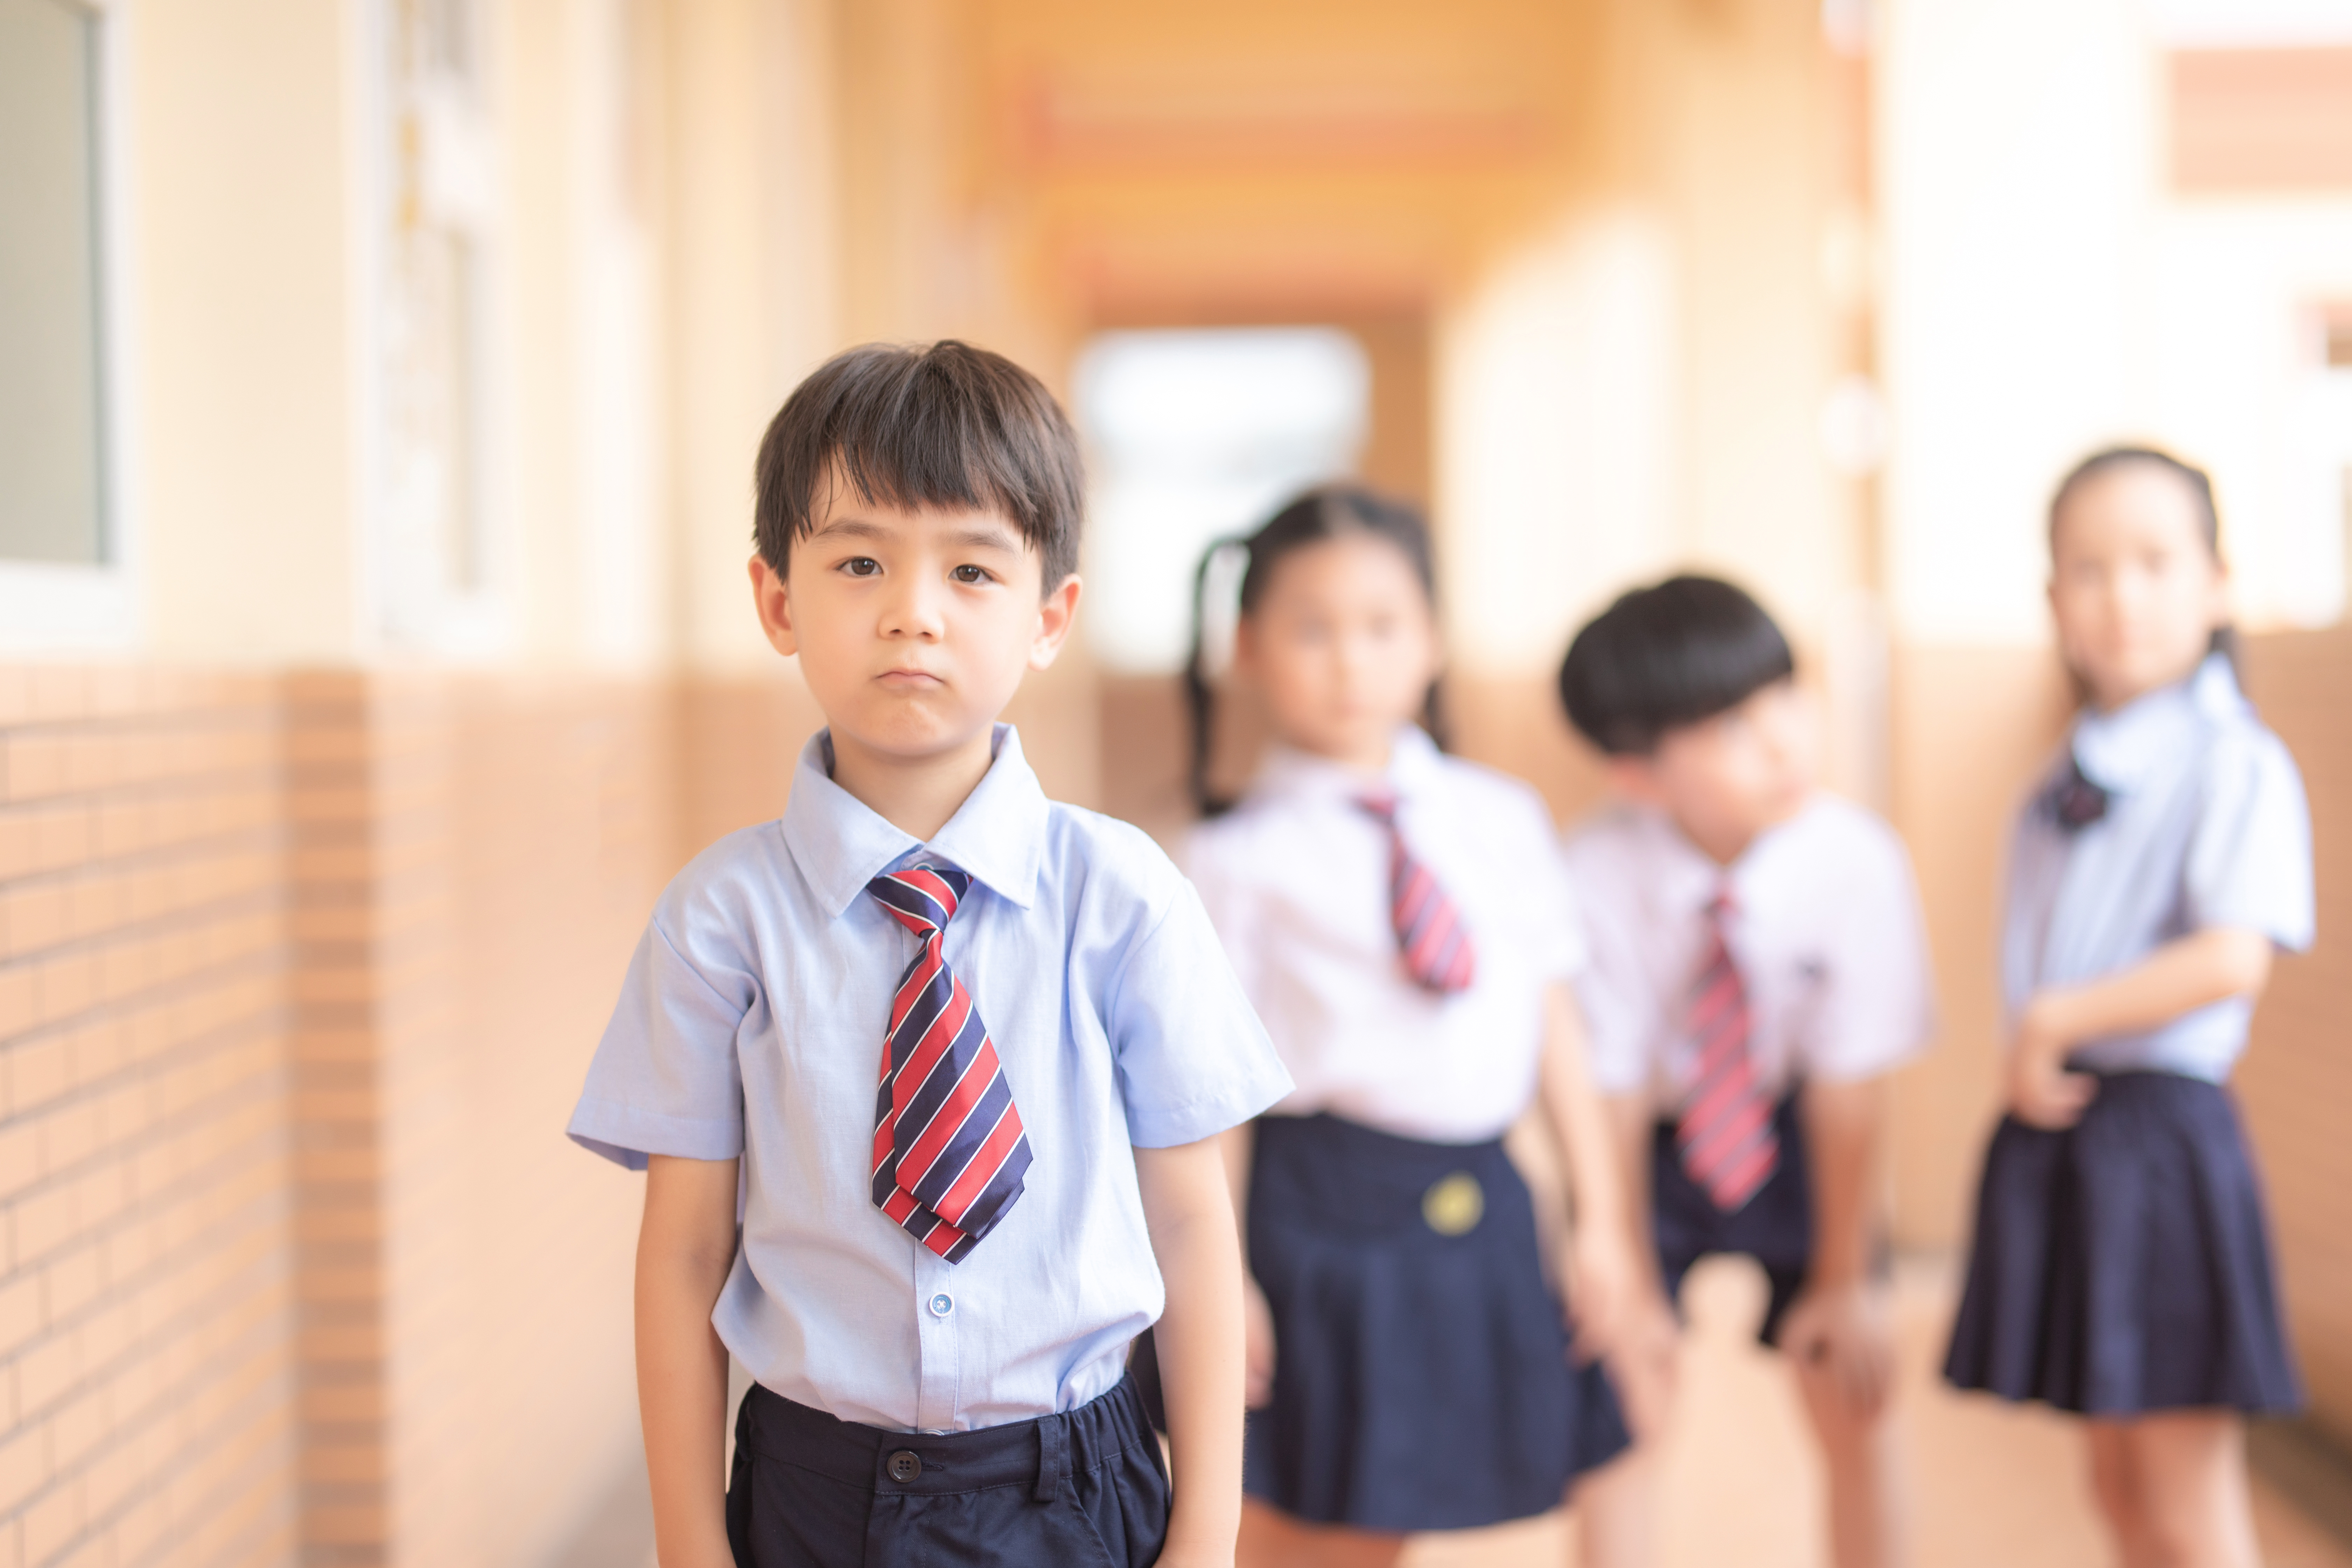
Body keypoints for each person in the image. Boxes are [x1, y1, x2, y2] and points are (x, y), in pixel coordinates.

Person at [567, 341, 1293, 1568]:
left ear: (1051, 615)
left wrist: (1208, 1536)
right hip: (814, 1491)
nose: (914, 609)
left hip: (1076, 1481)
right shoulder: (721, 921)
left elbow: (1191, 1222)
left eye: (971, 567)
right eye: (860, 562)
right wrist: (688, 1543)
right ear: (778, 600)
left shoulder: (1121, 899)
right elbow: (686, 1249)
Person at [1176, 484, 1637, 1568]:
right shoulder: (1233, 860)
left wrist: (1600, 1215)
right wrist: (1222, 1274)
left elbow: (1552, 1025)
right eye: (1311, 629)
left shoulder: (1499, 816)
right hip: (1316, 1214)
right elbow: (1215, 1089)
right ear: (1248, 647)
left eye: (1382, 627)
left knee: (1410, 1508)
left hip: (1481, 1202)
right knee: (1314, 1521)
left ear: (1430, 642)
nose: (1350, 661)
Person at [1944, 447, 2310, 1568]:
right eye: (2090, 570)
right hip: (2077, 1135)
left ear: (2218, 582)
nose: (2124, 596)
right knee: (2114, 1482)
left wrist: (2053, 1020)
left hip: (2161, 1141)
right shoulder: (2060, 771)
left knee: (2187, 1493)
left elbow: (2233, 957)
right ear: (2055, 601)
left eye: (2156, 562)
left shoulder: (2230, 758)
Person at [1555, 574, 1933, 1568]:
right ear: (1636, 772)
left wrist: (1846, 1280)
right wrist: (1627, 1275)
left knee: (1856, 1389)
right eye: (1731, 726)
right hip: (1663, 1140)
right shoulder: (1593, 873)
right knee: (1620, 1394)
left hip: (1800, 1129)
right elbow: (1614, 1092)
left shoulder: (1856, 861)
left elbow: (1851, 1089)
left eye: (1785, 697)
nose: (1782, 742)